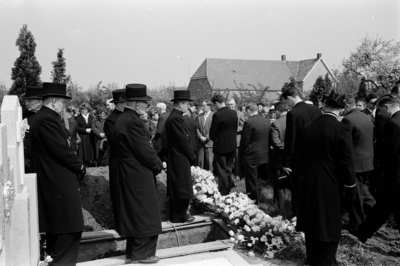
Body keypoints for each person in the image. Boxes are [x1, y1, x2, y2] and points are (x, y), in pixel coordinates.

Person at [297, 92, 356, 266]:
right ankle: (327, 260)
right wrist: (351, 189)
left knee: (312, 219)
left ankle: (313, 257)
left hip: (308, 179)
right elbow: (347, 162)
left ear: (324, 107)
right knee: (329, 221)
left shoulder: (308, 127)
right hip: (330, 181)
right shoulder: (341, 129)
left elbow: (299, 157)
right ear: (341, 110)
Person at [30, 82, 86, 265]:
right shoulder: (46, 119)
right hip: (57, 178)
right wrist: (80, 166)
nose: (64, 106)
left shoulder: (44, 117)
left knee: (61, 227)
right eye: (62, 102)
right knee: (69, 226)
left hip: (54, 177)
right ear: (54, 101)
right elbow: (61, 149)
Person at [114, 84, 162, 263]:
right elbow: (145, 150)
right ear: (135, 104)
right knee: (145, 212)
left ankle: (134, 253)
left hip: (130, 172)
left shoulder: (123, 118)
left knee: (137, 212)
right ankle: (143, 254)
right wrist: (158, 165)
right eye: (144, 103)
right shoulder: (133, 121)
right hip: (138, 174)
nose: (147, 107)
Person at [354, 94, 400, 243]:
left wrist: (380, 172)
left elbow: (389, 152)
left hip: (395, 175)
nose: (379, 114)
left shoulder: (393, 124)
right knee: (385, 207)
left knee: (384, 206)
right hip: (396, 175)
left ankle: (363, 232)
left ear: (387, 107)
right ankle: (363, 232)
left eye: (380, 110)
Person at [281, 87, 321, 216]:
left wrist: (287, 160)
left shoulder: (293, 113)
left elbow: (291, 138)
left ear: (289, 98)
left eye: (286, 102)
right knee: (314, 189)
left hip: (300, 157)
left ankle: (298, 218)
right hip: (316, 155)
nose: (287, 105)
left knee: (298, 189)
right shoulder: (316, 110)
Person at [342, 95, 375, 231]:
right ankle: (376, 212)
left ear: (346, 106)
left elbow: (345, 144)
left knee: (355, 194)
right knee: (363, 191)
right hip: (368, 161)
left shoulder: (348, 120)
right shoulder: (365, 117)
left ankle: (357, 223)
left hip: (356, 163)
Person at [165, 90, 196, 223]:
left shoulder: (174, 117)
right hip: (180, 157)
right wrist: (192, 156)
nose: (188, 107)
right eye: (187, 104)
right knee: (181, 186)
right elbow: (183, 140)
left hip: (176, 156)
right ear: (181, 104)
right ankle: (180, 216)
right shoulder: (176, 118)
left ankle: (179, 215)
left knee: (179, 185)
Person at [239, 103, 270, 204]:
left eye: (245, 111)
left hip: (251, 156)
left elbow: (244, 142)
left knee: (251, 182)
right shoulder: (267, 121)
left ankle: (253, 202)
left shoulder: (249, 122)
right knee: (259, 181)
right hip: (264, 156)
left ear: (248, 110)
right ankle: (260, 198)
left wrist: (241, 155)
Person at [103, 88, 125, 230]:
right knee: (118, 193)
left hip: (127, 161)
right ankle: (119, 224)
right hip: (118, 160)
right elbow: (117, 142)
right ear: (118, 104)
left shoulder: (127, 117)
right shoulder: (111, 120)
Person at [210, 94, 238, 195]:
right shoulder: (234, 113)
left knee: (221, 169)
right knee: (229, 167)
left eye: (213, 105)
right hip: (232, 144)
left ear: (217, 103)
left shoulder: (217, 115)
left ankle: (224, 190)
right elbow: (234, 128)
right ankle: (230, 184)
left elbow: (212, 133)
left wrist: (216, 139)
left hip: (220, 146)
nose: (213, 107)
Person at [270, 101, 288, 209]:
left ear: (277, 111)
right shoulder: (294, 120)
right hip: (293, 156)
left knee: (280, 181)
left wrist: (285, 146)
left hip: (280, 157)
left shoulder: (276, 123)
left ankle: (281, 206)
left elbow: (276, 143)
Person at [23, 86, 43, 173]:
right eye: (26, 101)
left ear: (39, 102)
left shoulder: (46, 117)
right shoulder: (23, 114)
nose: (26, 103)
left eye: (30, 101)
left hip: (39, 161)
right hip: (25, 159)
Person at [227, 98, 245, 180]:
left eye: (232, 104)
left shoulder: (240, 114)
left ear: (235, 105)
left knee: (237, 159)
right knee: (229, 158)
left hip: (237, 139)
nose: (230, 106)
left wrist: (233, 129)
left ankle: (237, 174)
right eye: (229, 104)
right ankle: (229, 174)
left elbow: (242, 126)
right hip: (227, 140)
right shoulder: (225, 114)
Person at [196, 101, 214, 172]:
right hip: (200, 143)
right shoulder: (199, 116)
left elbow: (214, 128)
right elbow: (196, 128)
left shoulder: (214, 116)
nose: (202, 108)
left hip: (210, 143)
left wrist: (207, 137)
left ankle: (210, 179)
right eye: (202, 106)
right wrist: (200, 136)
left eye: (204, 106)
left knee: (210, 162)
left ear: (209, 106)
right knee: (200, 162)